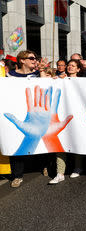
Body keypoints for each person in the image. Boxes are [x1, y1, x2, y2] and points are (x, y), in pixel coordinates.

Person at [6, 50, 47, 188]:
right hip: (17, 111)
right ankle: (17, 175)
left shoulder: (37, 75)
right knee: (16, 142)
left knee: (39, 140)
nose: (34, 60)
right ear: (22, 60)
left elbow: (45, 86)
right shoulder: (9, 76)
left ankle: (44, 165)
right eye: (31, 58)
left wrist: (42, 72)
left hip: (36, 115)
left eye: (35, 58)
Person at [49, 59, 84, 184]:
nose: (70, 67)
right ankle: (60, 173)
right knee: (61, 143)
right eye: (69, 65)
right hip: (62, 115)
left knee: (75, 141)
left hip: (78, 116)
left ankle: (78, 167)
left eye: (73, 66)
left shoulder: (83, 82)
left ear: (78, 69)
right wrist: (55, 80)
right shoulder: (60, 80)